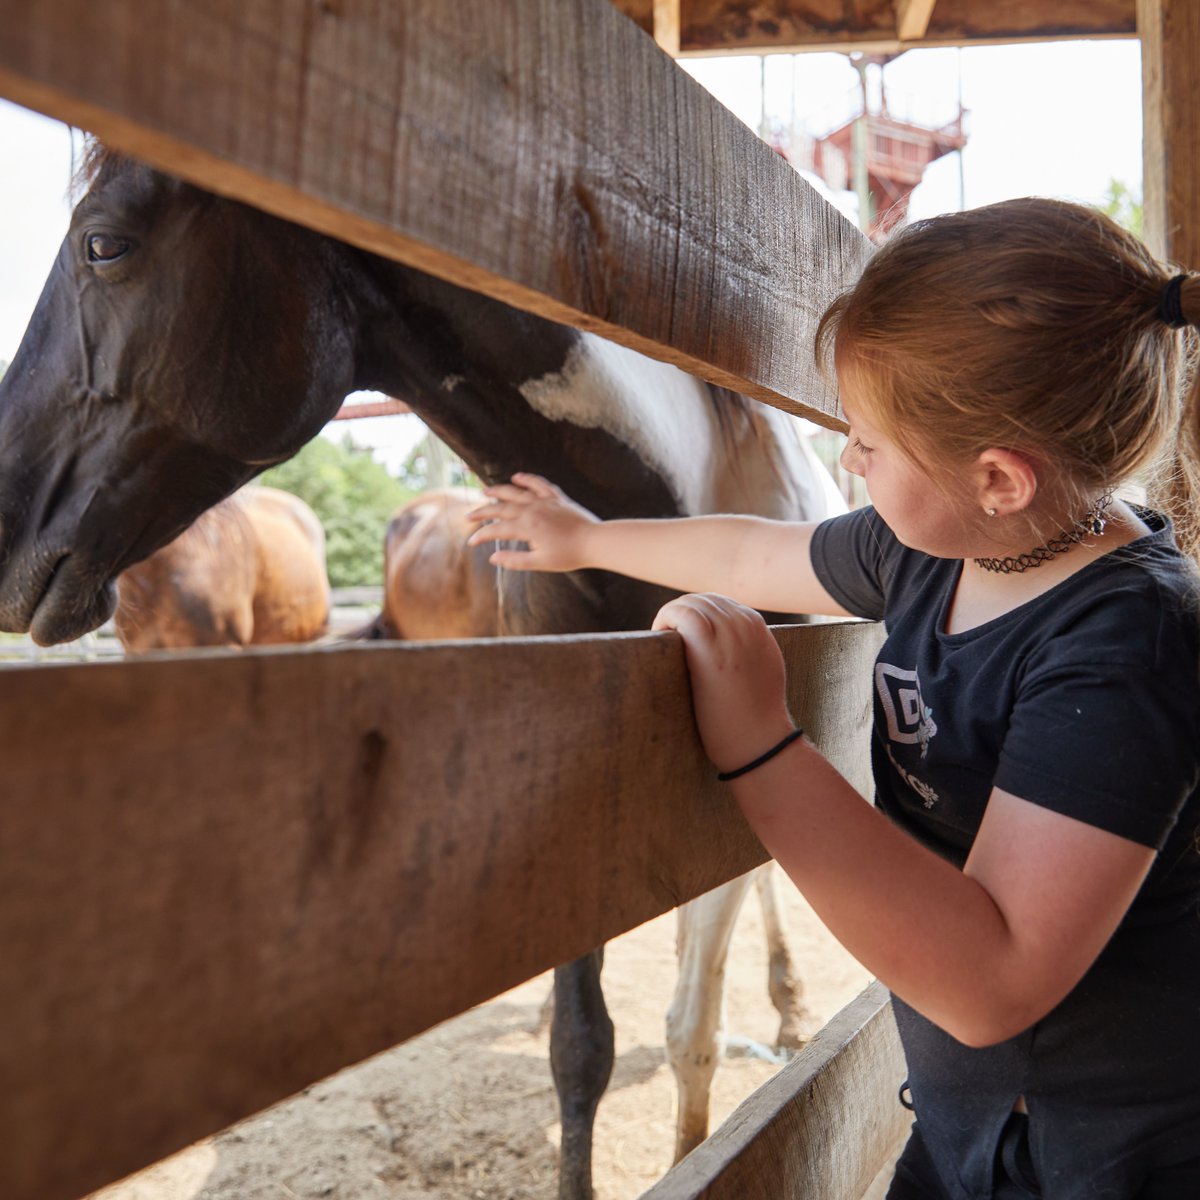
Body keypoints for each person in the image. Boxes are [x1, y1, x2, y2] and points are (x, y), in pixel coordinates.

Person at [465, 197, 1200, 1199]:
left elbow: (994, 978)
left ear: (998, 478)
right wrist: (587, 538)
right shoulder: (932, 550)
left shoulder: (1128, 642)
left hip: (1105, 1151)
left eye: (867, 443)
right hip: (964, 1121)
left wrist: (762, 748)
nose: (847, 463)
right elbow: (752, 552)